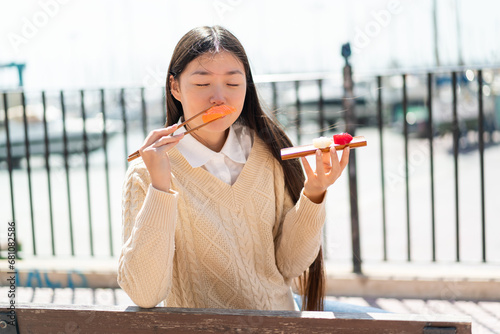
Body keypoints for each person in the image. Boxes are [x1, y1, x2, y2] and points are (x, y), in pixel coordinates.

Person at [118, 25, 384, 314]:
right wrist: (160, 187)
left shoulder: (267, 152)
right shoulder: (146, 174)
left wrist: (314, 192)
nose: (219, 97)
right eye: (202, 84)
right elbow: (145, 294)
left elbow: (289, 265)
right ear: (175, 87)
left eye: (233, 84)